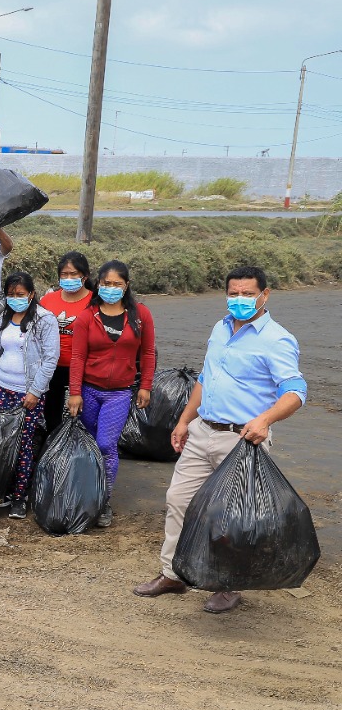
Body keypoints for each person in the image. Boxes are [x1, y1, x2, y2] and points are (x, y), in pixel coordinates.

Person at [134, 266, 306, 614]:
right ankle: (173, 574)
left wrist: (265, 420)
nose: (240, 300)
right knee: (179, 500)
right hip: (203, 431)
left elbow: (295, 392)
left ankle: (229, 584)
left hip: (242, 440)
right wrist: (185, 420)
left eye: (248, 294)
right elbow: (205, 379)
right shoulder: (220, 328)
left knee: (234, 516)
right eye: (234, 293)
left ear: (265, 295)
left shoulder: (277, 339)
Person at [67, 260, 156, 528]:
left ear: (126, 286)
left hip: (119, 393)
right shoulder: (87, 316)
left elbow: (148, 353)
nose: (111, 288)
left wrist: (146, 385)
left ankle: (103, 500)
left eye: (117, 284)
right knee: (89, 445)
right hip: (89, 391)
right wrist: (75, 392)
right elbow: (77, 357)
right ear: (98, 284)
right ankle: (85, 494)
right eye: (106, 283)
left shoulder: (140, 315)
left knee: (106, 445)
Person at [0, 271, 60, 519]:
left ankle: (20, 497)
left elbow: (50, 359)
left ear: (31, 294)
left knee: (24, 445)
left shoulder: (44, 320)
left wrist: (35, 392)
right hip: (3, 389)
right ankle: (6, 491)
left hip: (27, 394)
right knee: (5, 443)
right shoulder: (4, 317)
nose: (15, 298)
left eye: (20, 294)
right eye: (10, 294)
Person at [39, 251, 97, 438]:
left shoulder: (95, 301)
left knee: (83, 414)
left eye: (73, 274)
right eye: (64, 274)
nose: (69, 278)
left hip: (83, 367)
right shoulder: (48, 300)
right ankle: (54, 447)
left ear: (84, 276)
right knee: (51, 415)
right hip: (52, 367)